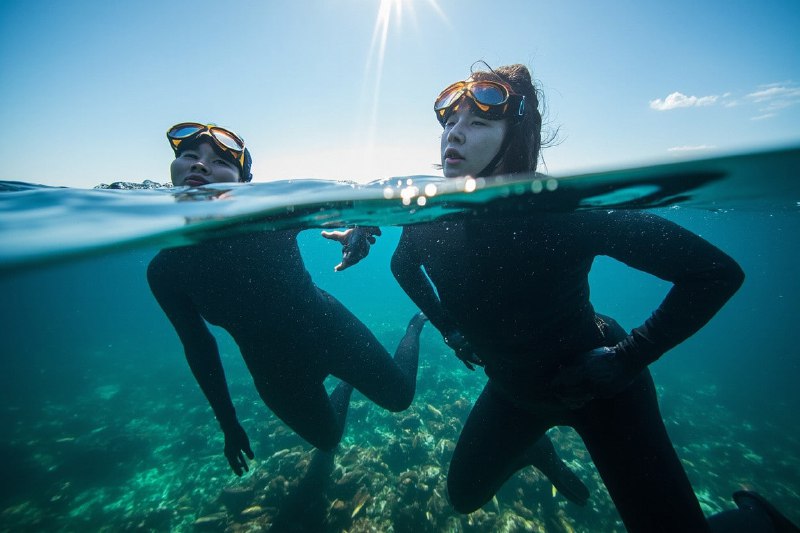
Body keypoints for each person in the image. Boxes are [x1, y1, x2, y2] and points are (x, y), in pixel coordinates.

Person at [389, 65, 799, 531]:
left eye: (478, 124)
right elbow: (401, 267)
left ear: (518, 135)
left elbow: (714, 272)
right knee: (463, 497)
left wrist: (627, 358)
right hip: (515, 392)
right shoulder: (427, 219)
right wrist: (449, 327)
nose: (454, 136)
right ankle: (533, 448)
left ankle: (758, 517)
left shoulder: (564, 214)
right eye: (450, 124)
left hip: (604, 389)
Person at [147, 122, 427, 476]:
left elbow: (358, 202)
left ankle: (415, 326)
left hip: (329, 329)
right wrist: (228, 424)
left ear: (242, 184)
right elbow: (199, 349)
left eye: (219, 162)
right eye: (189, 156)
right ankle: (347, 381)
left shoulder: (272, 214)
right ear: (172, 170)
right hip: (274, 372)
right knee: (328, 440)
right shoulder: (165, 270)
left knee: (400, 398)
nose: (200, 165)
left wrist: (360, 228)